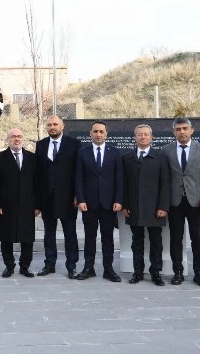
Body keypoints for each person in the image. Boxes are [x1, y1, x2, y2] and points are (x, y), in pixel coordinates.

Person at [162, 117, 200, 287]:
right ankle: (178, 272)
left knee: (198, 239)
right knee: (176, 239)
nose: (182, 132)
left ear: (191, 130)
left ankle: (199, 273)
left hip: (196, 202)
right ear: (174, 132)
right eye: (178, 129)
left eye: (185, 128)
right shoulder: (166, 150)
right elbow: (164, 178)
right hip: (175, 202)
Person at [75, 120, 124, 282]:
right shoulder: (83, 153)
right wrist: (81, 199)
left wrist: (118, 199)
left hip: (109, 204)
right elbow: (78, 178)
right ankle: (88, 268)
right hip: (88, 203)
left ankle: (108, 269)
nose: (98, 134)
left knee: (107, 238)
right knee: (89, 237)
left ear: (106, 134)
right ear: (90, 134)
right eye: (95, 131)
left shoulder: (114, 152)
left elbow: (119, 178)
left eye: (101, 131)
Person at [122, 124, 170, 286]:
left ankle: (156, 273)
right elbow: (124, 183)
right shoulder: (127, 157)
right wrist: (125, 204)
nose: (143, 137)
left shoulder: (161, 157)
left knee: (156, 242)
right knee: (137, 241)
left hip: (155, 207)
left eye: (146, 134)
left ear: (151, 137)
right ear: (135, 137)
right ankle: (138, 272)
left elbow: (165, 183)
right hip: (134, 207)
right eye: (139, 134)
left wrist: (163, 206)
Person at [35, 115, 81, 279]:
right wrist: (37, 201)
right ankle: (49, 264)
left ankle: (71, 266)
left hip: (68, 197)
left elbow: (78, 171)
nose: (52, 127)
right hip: (47, 197)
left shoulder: (74, 144)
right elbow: (38, 173)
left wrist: (78, 195)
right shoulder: (41, 145)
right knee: (49, 233)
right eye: (49, 125)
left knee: (70, 233)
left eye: (55, 124)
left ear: (62, 126)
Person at [0, 128, 39, 278]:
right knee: (6, 237)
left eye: (19, 136)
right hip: (6, 205)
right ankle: (9, 266)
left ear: (22, 138)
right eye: (13, 137)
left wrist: (38, 205)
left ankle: (25, 267)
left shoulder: (32, 157)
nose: (16, 139)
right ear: (8, 139)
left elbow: (37, 182)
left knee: (27, 238)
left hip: (27, 205)